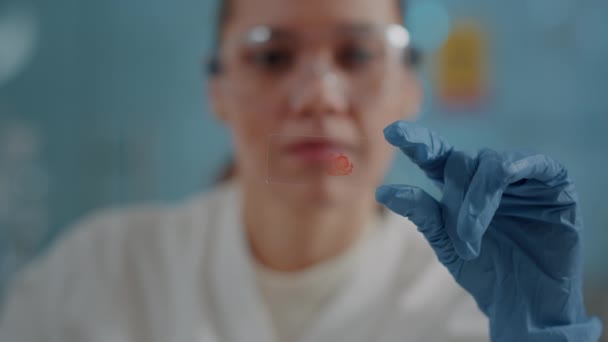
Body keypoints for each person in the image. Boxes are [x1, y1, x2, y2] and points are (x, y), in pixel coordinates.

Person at [0, 0, 603, 341]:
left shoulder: (473, 308)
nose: (318, 95)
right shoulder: (94, 274)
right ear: (217, 89)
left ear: (410, 88)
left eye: (358, 54)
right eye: (272, 56)